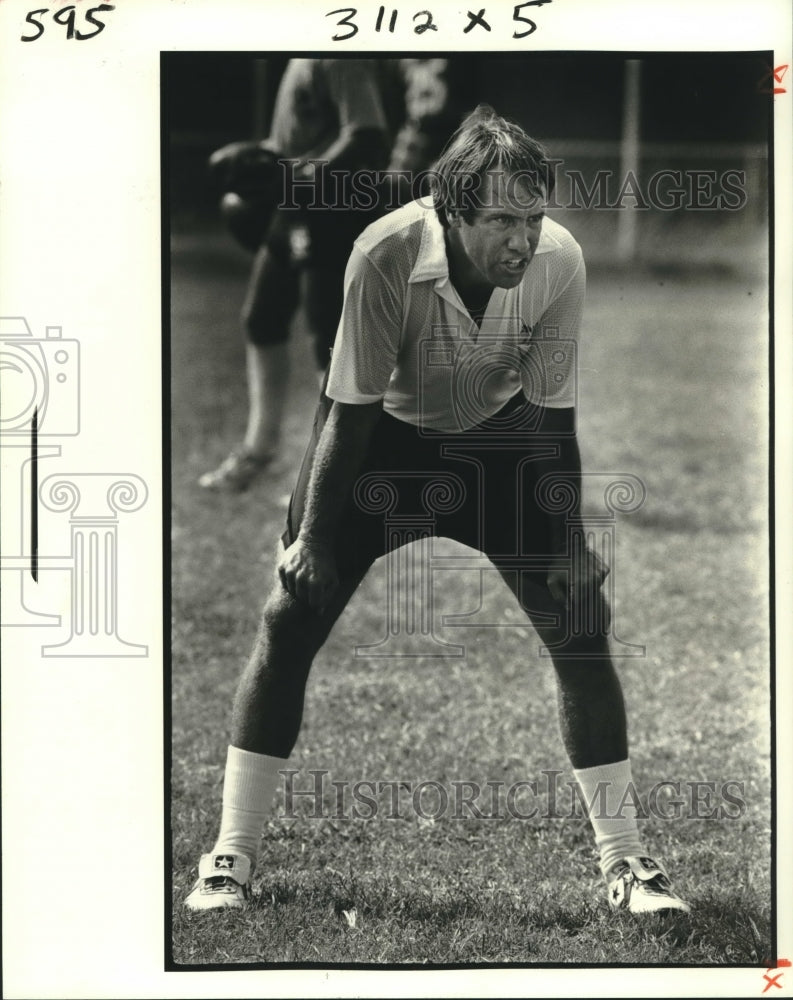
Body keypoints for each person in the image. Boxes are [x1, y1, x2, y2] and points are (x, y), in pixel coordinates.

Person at [185, 106, 691, 917]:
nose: (522, 240)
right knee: (288, 616)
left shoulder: (559, 262)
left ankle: (629, 865)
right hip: (379, 438)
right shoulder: (382, 252)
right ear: (451, 210)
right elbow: (347, 412)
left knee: (580, 615)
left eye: (532, 217)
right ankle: (229, 860)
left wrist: (565, 545)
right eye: (500, 221)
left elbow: (551, 415)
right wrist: (312, 539)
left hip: (496, 442)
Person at [199, 57, 404, 490]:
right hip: (300, 205)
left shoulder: (338, 55)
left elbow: (367, 136)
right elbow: (306, 137)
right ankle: (261, 450)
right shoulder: (302, 56)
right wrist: (273, 158)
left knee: (327, 340)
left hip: (331, 206)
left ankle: (345, 467)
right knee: (262, 318)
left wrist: (300, 175)